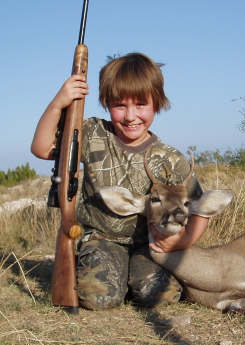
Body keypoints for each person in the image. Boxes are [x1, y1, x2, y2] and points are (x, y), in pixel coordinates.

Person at [31, 53, 209, 310]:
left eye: (140, 105)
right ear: (106, 104)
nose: (130, 116)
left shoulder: (171, 158)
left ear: (157, 104)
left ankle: (129, 277)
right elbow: (42, 148)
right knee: (97, 298)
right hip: (101, 239)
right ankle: (110, 277)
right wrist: (58, 103)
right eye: (120, 105)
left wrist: (185, 240)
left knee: (160, 297)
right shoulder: (91, 133)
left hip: (148, 244)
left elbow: (200, 205)